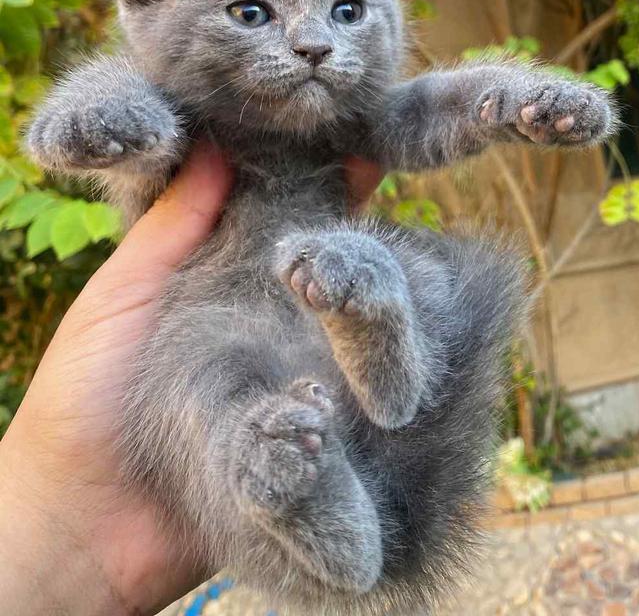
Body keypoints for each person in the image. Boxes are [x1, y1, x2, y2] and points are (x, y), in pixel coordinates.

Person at [0, 145, 382, 616]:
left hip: (296, 351)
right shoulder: (201, 153)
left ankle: (338, 521)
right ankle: (332, 524)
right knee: (215, 377)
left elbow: (404, 124)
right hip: (215, 350)